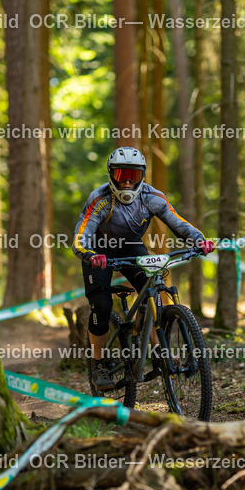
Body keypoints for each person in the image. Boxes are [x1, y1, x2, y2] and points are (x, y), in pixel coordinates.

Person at [72, 146, 215, 388]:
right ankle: (99, 364)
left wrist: (199, 240)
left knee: (154, 288)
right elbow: (81, 235)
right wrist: (88, 253)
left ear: (142, 176)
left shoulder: (153, 198)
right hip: (98, 250)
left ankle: (159, 350)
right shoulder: (99, 199)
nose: (127, 182)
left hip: (130, 246)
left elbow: (178, 223)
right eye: (121, 176)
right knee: (102, 304)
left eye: (133, 176)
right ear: (111, 175)